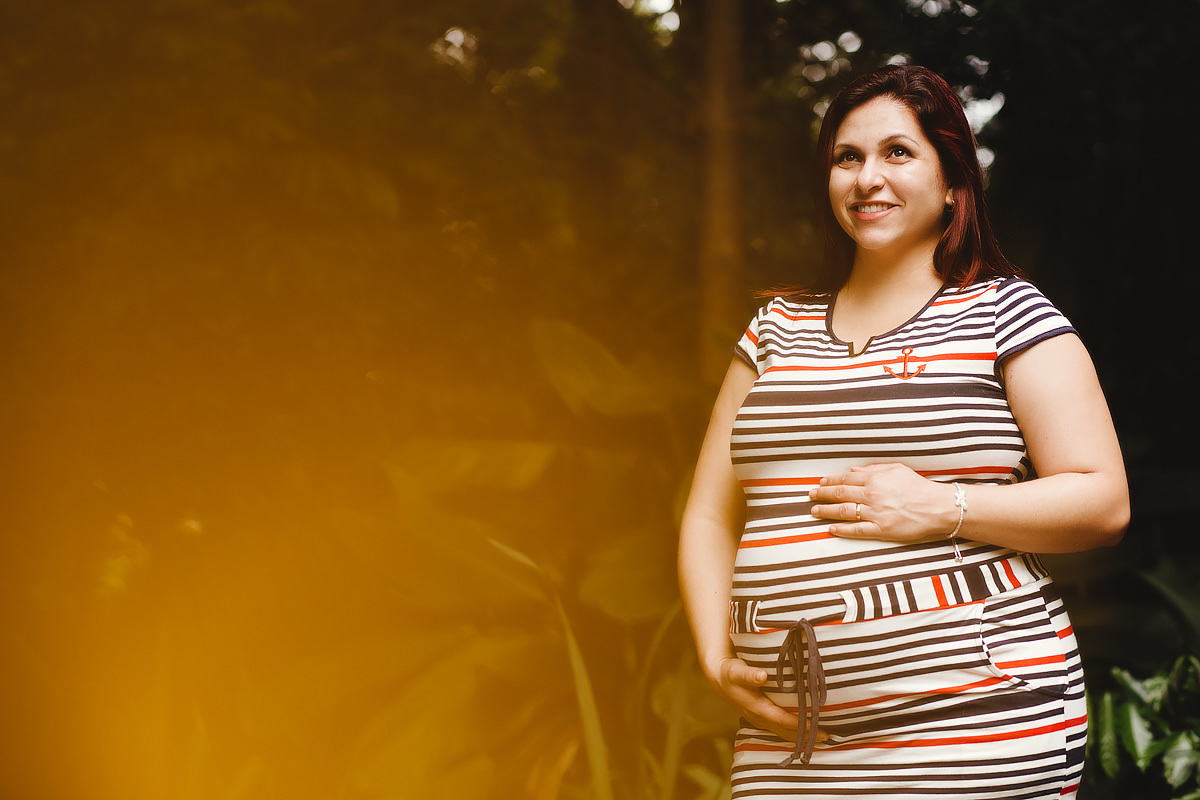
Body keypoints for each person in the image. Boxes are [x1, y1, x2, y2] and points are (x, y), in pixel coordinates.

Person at [677, 64, 1129, 800]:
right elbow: (706, 511)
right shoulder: (775, 330)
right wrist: (710, 649)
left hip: (977, 716)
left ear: (954, 182)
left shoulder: (1007, 314)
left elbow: (1103, 502)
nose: (866, 178)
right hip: (789, 734)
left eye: (897, 152)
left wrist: (943, 506)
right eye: (847, 158)